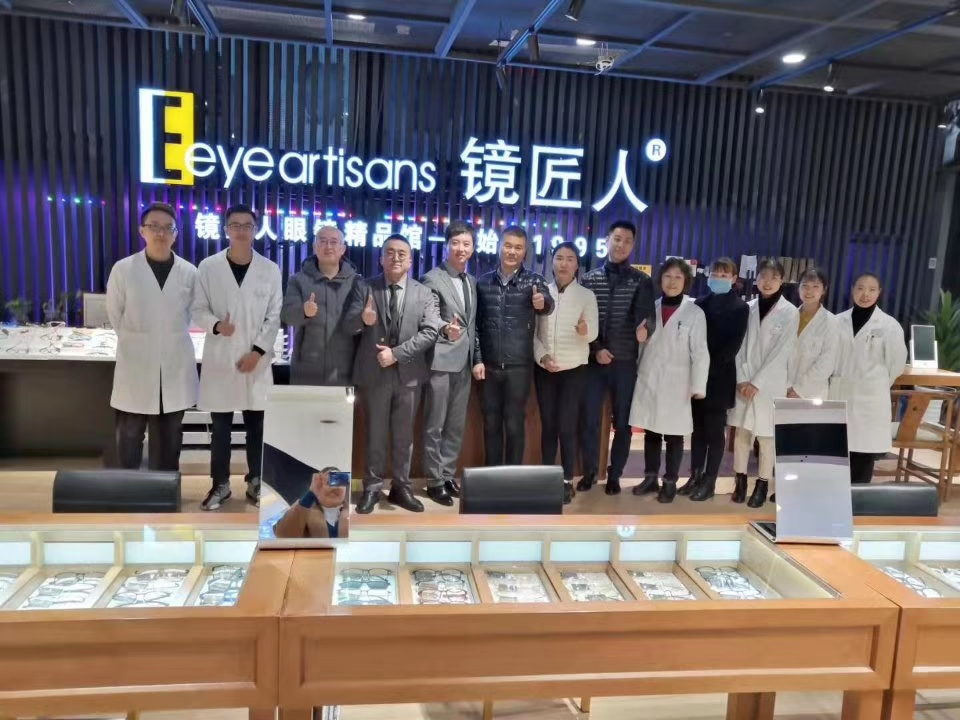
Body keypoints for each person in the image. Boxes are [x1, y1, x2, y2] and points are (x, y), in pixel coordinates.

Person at [192, 205, 282, 511]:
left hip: (257, 362)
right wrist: (217, 325)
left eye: (247, 225)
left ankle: (256, 481)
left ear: (255, 230)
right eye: (235, 225)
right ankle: (220, 484)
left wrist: (258, 352)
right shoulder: (208, 267)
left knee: (258, 426)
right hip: (221, 357)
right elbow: (197, 309)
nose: (241, 230)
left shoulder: (270, 269)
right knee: (221, 428)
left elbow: (274, 316)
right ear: (226, 230)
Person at [106, 202, 198, 472]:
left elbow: (192, 315)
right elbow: (115, 314)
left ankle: (165, 491)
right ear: (142, 231)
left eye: (168, 228)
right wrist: (140, 340)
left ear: (175, 234)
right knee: (129, 437)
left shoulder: (189, 273)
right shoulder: (123, 269)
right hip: (135, 366)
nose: (161, 233)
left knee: (169, 440)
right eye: (154, 226)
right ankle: (128, 490)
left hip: (174, 366)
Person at [354, 235, 442, 514]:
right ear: (381, 258)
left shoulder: (424, 293)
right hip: (374, 374)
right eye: (390, 252)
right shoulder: (364, 287)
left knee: (405, 437)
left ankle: (401, 487)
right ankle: (372, 487)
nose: (395, 257)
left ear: (410, 260)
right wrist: (362, 320)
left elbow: (431, 331)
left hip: (409, 374)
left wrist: (397, 353)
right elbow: (347, 326)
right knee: (375, 435)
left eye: (402, 253)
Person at [578, 221, 656, 495]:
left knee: (623, 423)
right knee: (589, 419)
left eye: (627, 241)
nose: (621, 245)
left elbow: (647, 317)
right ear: (607, 240)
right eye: (617, 239)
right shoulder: (589, 279)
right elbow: (582, 320)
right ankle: (589, 471)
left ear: (633, 246)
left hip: (624, 363)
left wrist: (645, 328)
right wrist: (596, 348)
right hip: (593, 361)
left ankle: (615, 475)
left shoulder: (641, 281)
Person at [473, 226, 555, 466]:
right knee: (490, 423)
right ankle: (492, 474)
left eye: (518, 248)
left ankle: (512, 477)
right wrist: (477, 359)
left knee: (514, 424)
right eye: (508, 246)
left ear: (525, 252)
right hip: (489, 367)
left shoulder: (534, 281)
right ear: (499, 247)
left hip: (519, 367)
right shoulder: (483, 282)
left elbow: (548, 304)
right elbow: (475, 325)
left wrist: (542, 302)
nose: (512, 251)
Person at [629, 258, 709, 503]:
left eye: (678, 277)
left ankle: (670, 481)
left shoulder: (694, 313)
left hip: (678, 383)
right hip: (650, 378)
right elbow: (641, 346)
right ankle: (650, 477)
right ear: (660, 279)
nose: (672, 282)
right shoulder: (651, 308)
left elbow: (700, 352)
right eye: (667, 276)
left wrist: (698, 386)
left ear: (686, 281)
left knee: (674, 435)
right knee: (651, 431)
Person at [728, 259, 799, 508]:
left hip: (770, 383)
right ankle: (739, 481)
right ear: (756, 279)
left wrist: (757, 382)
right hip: (744, 381)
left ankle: (762, 484)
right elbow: (738, 346)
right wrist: (742, 379)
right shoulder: (747, 308)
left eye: (774, 277)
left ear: (782, 281)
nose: (768, 282)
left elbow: (781, 352)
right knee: (741, 434)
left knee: (767, 437)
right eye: (763, 276)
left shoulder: (790, 312)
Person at [533, 242, 598, 504]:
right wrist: (543, 357)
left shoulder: (586, 295)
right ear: (552, 263)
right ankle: (547, 478)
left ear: (577, 265)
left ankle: (566, 480)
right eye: (559, 258)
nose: (564, 263)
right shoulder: (541, 293)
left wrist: (585, 330)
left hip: (574, 371)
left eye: (570, 259)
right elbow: (534, 334)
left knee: (567, 427)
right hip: (545, 370)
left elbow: (592, 333)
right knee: (548, 426)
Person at [680, 258, 748, 502]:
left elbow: (732, 347)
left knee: (715, 431)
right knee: (697, 430)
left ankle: (710, 481)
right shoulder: (699, 303)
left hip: (719, 377)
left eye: (724, 274)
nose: (719, 278)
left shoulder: (740, 308)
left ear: (734, 278)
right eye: (715, 273)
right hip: (696, 377)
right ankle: (695, 475)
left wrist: (705, 367)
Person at [420, 221, 478, 507]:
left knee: (455, 426)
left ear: (473, 248)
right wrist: (445, 328)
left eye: (466, 244)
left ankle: (447, 474)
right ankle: (433, 481)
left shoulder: (472, 281)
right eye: (455, 243)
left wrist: (477, 359)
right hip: (440, 362)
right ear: (446, 246)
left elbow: (472, 324)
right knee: (435, 425)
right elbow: (429, 316)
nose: (461, 248)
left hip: (465, 364)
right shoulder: (432, 279)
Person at [831, 272, 907, 484]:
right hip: (840, 394)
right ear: (852, 290)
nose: (865, 294)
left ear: (879, 292)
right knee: (837, 455)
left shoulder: (889, 325)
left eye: (872, 289)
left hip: (870, 400)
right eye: (860, 288)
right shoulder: (837, 321)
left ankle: (858, 501)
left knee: (863, 456)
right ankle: (836, 498)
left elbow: (896, 365)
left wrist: (874, 383)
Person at [281, 225, 365, 386]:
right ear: (314, 247)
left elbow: (358, 326)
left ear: (342, 249)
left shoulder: (357, 283)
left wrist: (365, 320)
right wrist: (303, 312)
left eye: (333, 242)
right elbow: (287, 316)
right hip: (306, 371)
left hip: (345, 371)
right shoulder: (298, 280)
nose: (328, 246)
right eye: (323, 241)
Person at [788, 267, 838, 401]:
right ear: (798, 288)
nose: (809, 291)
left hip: (811, 393)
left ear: (824, 290)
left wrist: (799, 390)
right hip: (784, 388)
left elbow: (827, 362)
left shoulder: (831, 322)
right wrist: (787, 386)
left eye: (815, 286)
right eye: (804, 286)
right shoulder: (789, 317)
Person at [272, 468, 350, 539]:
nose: (334, 487)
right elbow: (283, 535)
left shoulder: (352, 512)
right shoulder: (303, 513)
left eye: (339, 481)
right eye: (328, 481)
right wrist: (311, 493)